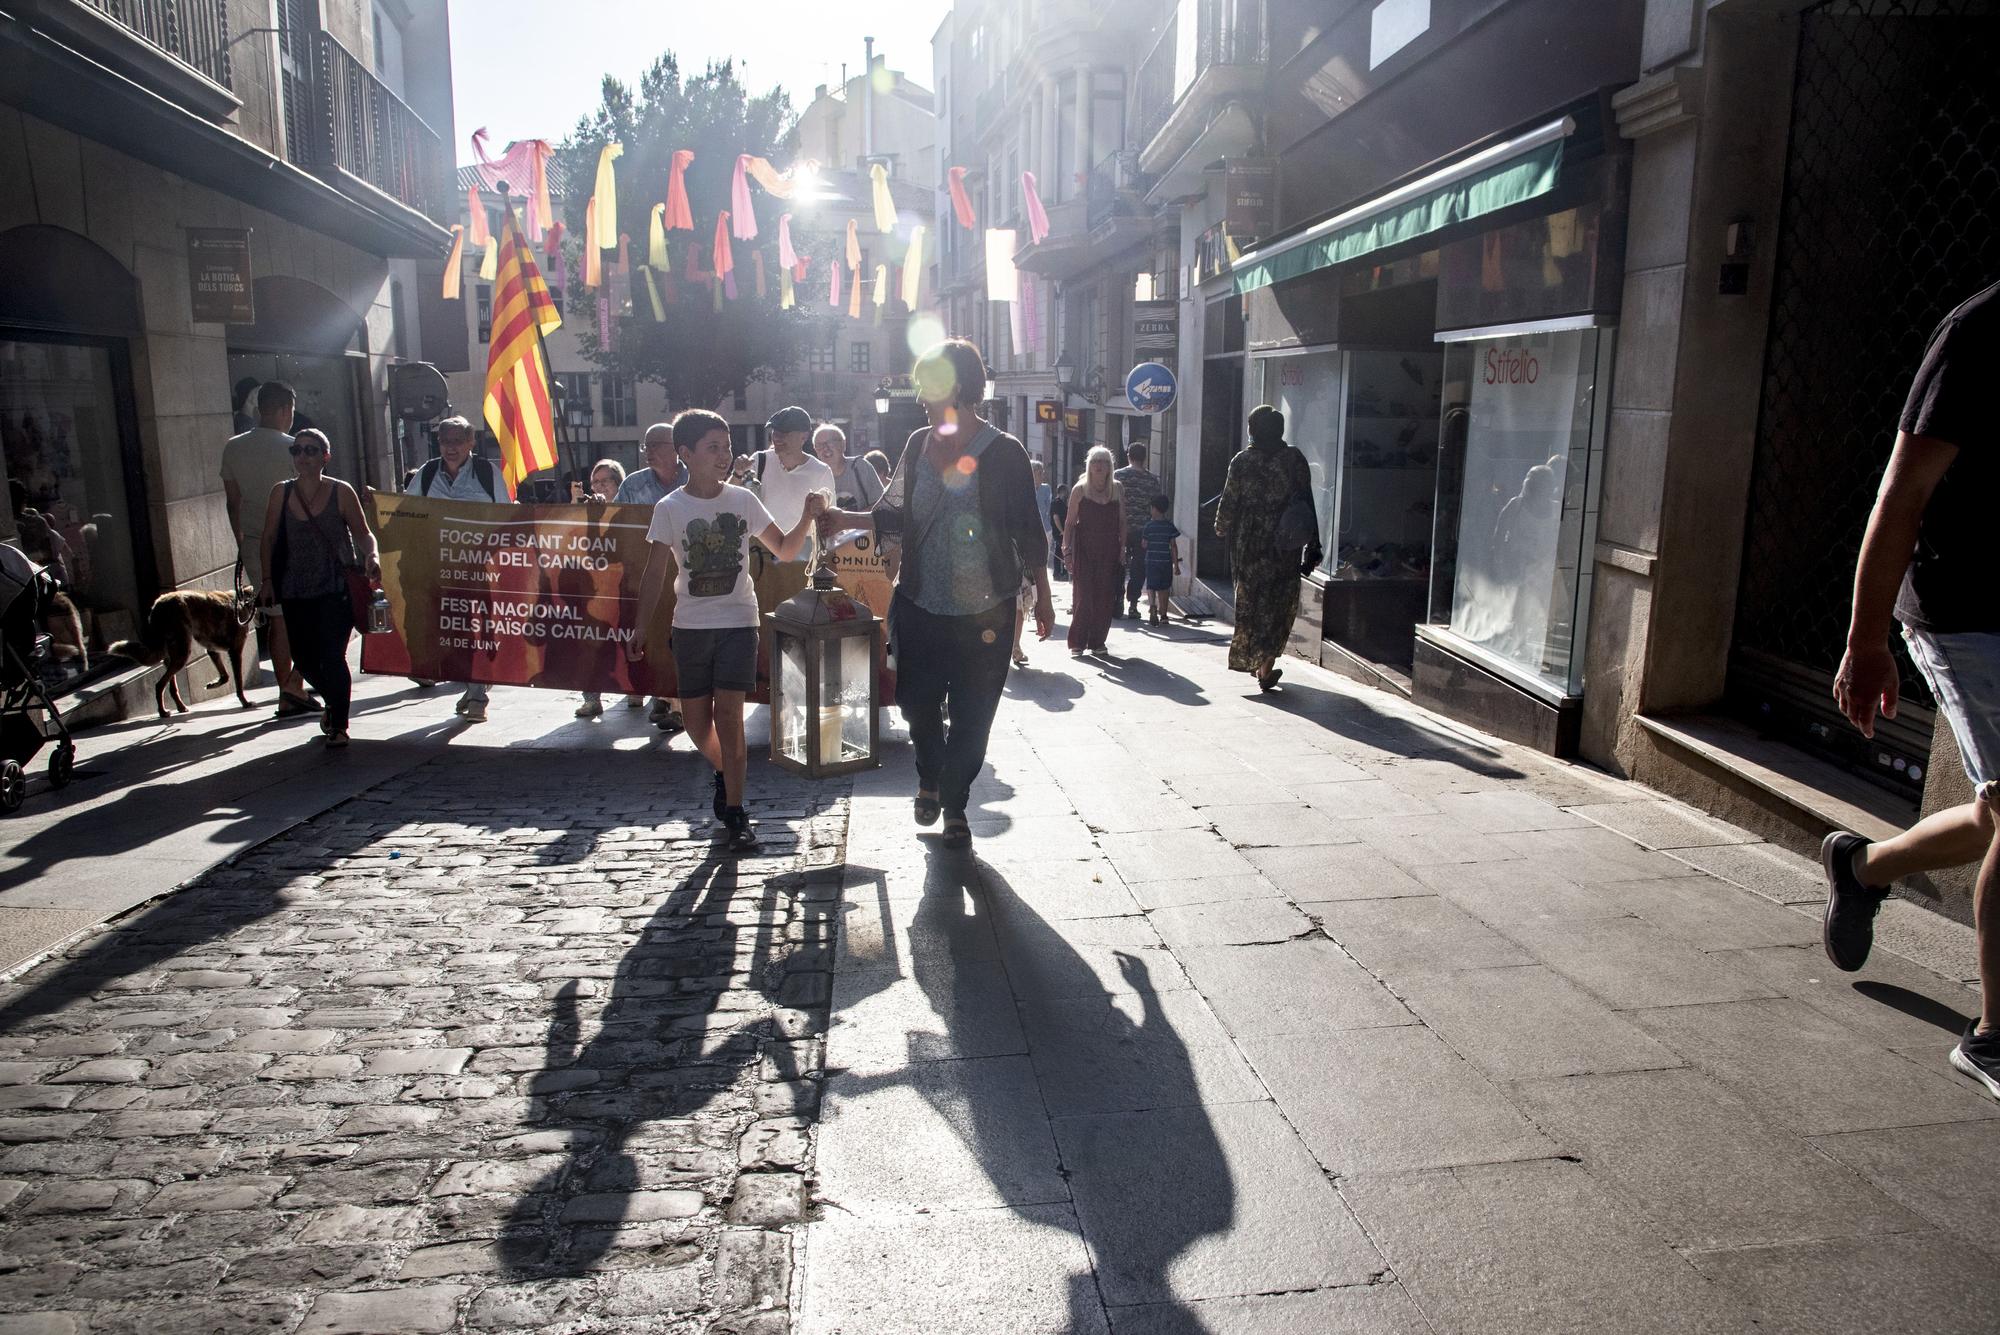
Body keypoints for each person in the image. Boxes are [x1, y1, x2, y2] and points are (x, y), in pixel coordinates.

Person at [1825, 278, 2000, 1100]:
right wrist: (1865, 641)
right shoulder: (1981, 329)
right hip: (1966, 613)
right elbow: (1903, 489)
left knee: (1996, 812)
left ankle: (1863, 870)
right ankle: (1995, 1040)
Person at [817, 339, 1053, 849]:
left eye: (928, 384)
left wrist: (1047, 598)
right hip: (920, 601)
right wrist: (844, 519)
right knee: (917, 704)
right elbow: (893, 512)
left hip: (985, 609)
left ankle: (954, 801)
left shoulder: (1005, 453)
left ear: (958, 386)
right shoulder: (917, 442)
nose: (920, 394)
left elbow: (1029, 531)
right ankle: (930, 774)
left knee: (974, 713)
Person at [626, 410, 823, 851]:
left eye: (727, 446)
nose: (724, 455)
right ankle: (725, 773)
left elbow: (787, 548)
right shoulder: (670, 508)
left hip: (739, 622)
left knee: (729, 717)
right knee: (697, 726)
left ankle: (737, 813)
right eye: (713, 447)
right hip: (691, 627)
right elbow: (655, 573)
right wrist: (640, 627)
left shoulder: (743, 501)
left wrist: (808, 517)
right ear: (685, 454)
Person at [257, 429, 379, 749]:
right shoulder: (280, 493)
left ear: (326, 456)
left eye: (311, 450)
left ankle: (339, 724)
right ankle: (333, 701)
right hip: (294, 589)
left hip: (334, 589)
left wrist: (372, 556)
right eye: (297, 450)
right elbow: (268, 538)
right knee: (304, 657)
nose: (303, 456)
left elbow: (363, 533)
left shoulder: (341, 492)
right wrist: (267, 581)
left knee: (332, 655)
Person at [221, 381, 316, 717]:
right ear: (284, 410)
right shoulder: (296, 448)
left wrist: (241, 541)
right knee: (310, 615)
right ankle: (294, 684)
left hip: (253, 541)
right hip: (296, 542)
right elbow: (311, 500)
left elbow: (233, 503)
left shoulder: (233, 448)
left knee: (278, 619)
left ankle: (287, 690)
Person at [406, 416, 508, 722]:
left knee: (476, 632)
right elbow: (406, 513)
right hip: (438, 570)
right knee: (450, 633)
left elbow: (505, 514)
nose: (451, 448)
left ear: (471, 443)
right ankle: (471, 688)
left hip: (478, 570)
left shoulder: (486, 473)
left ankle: (478, 697)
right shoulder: (425, 474)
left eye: (457, 441)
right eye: (445, 441)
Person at [1216, 405, 1320, 692]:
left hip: (1249, 546)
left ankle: (1258, 662)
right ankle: (1265, 667)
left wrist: (1221, 527)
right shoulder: (1294, 459)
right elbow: (1307, 503)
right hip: (1284, 546)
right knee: (1278, 606)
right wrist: (1314, 542)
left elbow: (1228, 502)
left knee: (1251, 606)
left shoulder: (1242, 462)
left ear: (1253, 430)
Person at [613, 423, 690, 735]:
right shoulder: (633, 484)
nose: (648, 452)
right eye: (645, 446)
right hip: (650, 571)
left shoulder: (695, 476)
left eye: (655, 444)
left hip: (689, 572)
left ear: (676, 446)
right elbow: (616, 522)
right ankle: (666, 696)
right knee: (655, 635)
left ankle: (678, 703)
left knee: (683, 638)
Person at [739, 406, 835, 604]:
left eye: (784, 433)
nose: (777, 437)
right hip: (761, 555)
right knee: (763, 615)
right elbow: (733, 502)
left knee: (796, 618)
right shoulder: (760, 460)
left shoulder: (820, 471)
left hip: (801, 559)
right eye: (775, 432)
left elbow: (829, 522)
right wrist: (737, 474)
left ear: (803, 436)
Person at [576, 459, 635, 720]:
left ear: (619, 484)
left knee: (632, 637)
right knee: (593, 642)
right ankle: (591, 698)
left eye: (605, 481)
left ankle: (638, 690)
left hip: (627, 587)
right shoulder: (586, 509)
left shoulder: (631, 510)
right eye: (595, 482)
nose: (599, 487)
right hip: (596, 591)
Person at [1063, 446, 1125, 658]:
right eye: (1096, 462)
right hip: (1085, 550)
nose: (1099, 466)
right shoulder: (1080, 490)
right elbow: (1070, 524)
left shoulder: (1117, 489)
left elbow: (1123, 522)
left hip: (1109, 550)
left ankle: (1098, 641)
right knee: (1084, 598)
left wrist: (1123, 548)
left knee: (1105, 598)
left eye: (1104, 462)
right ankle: (1077, 642)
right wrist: (1066, 551)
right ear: (1089, 466)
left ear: (1110, 467)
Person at [1113, 441, 1164, 620]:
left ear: (1128, 455)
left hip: (1119, 529)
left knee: (1117, 565)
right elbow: (1157, 507)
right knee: (1138, 568)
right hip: (1143, 531)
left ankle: (1117, 600)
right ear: (1145, 457)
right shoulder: (1152, 480)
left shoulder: (1117, 476)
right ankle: (1133, 605)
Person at [814, 423, 886, 512]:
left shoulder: (860, 467)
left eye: (830, 442)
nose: (825, 448)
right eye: (819, 445)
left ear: (843, 444)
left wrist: (849, 521)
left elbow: (882, 505)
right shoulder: (813, 476)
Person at [1140, 494, 1182, 626]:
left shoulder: (1148, 526)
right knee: (1164, 588)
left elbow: (1144, 544)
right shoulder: (1170, 526)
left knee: (1151, 585)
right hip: (1166, 562)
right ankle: (1163, 615)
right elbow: (1173, 546)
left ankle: (1152, 605)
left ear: (1154, 509)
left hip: (1152, 560)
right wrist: (1176, 566)